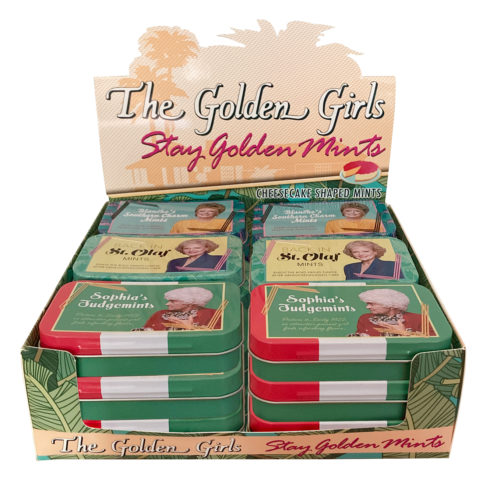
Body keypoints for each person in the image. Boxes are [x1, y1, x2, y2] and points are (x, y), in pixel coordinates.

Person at [352, 289, 435, 337]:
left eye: (372, 304)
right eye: (367, 304)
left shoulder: (419, 319)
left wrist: (406, 334)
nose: (367, 307)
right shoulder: (364, 318)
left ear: (391, 305)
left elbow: (431, 343)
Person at [138, 287, 221, 331]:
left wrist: (192, 328)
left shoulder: (213, 314)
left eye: (172, 301)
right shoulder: (160, 314)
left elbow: (216, 339)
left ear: (189, 302)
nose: (167, 304)